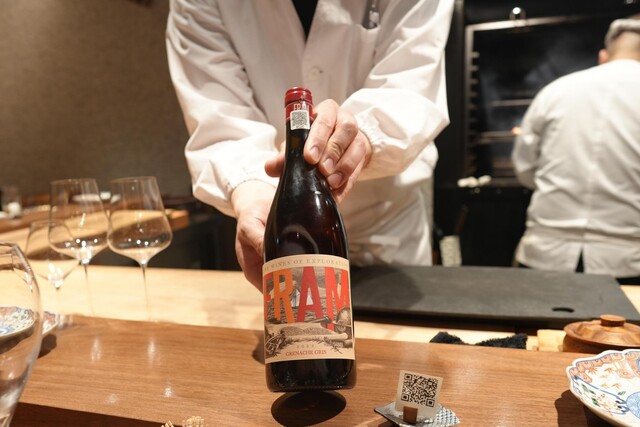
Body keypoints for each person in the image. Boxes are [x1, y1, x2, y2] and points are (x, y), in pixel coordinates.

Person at [166, 0, 454, 289]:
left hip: (387, 233)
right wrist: (253, 195)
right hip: (285, 240)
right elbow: (220, 117)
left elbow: (411, 83)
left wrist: (361, 136)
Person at [512, 15, 640, 284]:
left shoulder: (555, 91)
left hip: (546, 253)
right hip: (628, 261)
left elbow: (525, 169)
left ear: (603, 56)